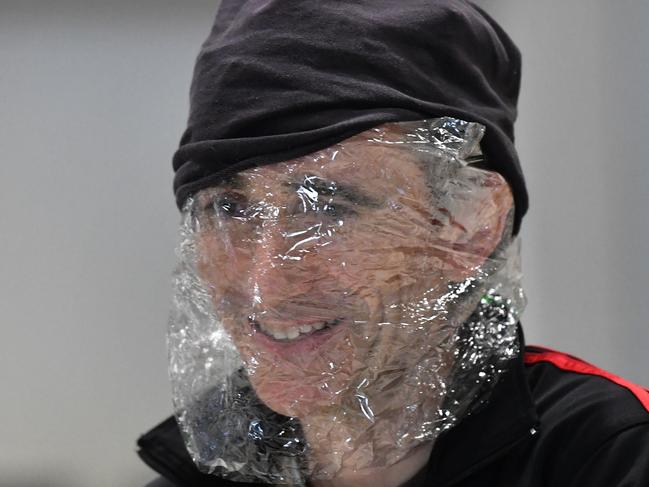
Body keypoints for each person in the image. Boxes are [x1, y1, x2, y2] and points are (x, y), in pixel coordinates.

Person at [137, 1, 649, 486]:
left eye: (329, 206)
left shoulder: (610, 456)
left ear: (468, 226)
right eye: (228, 208)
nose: (263, 283)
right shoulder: (192, 473)